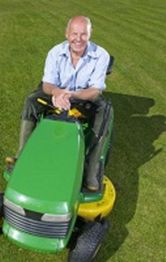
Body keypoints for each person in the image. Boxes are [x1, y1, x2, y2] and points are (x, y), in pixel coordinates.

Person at [6, 16, 112, 191]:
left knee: (104, 111)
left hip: (83, 95)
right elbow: (47, 84)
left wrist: (71, 95)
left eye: (83, 34)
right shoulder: (55, 52)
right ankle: (22, 155)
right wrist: (56, 93)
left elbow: (95, 90)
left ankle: (91, 170)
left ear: (90, 34)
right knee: (31, 100)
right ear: (67, 34)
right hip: (56, 91)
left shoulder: (101, 55)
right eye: (74, 34)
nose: (78, 39)